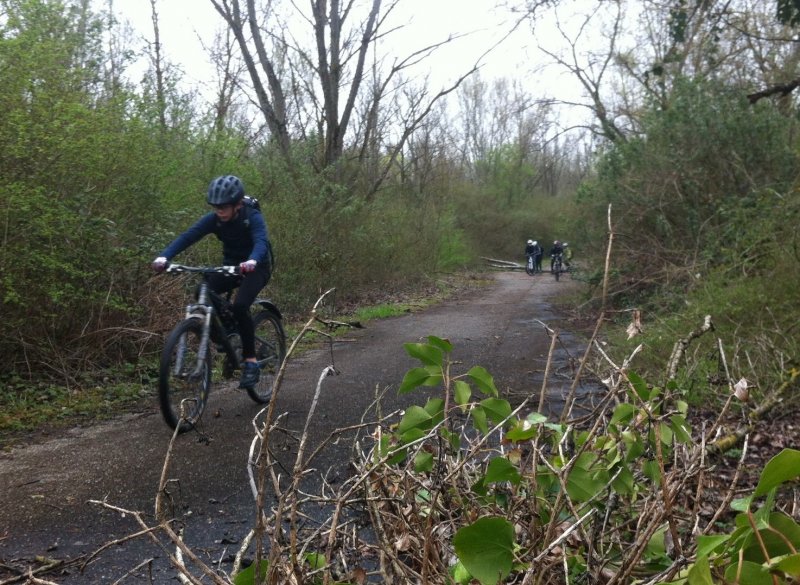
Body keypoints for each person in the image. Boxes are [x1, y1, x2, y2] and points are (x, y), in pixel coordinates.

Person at [152, 175, 274, 390]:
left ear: (237, 205)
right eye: (216, 206)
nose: (219, 210)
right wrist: (165, 256)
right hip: (230, 266)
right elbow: (188, 236)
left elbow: (261, 241)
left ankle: (251, 362)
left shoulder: (251, 216)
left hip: (257, 267)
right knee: (203, 289)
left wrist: (253, 260)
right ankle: (228, 335)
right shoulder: (214, 220)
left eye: (224, 206)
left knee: (240, 306)